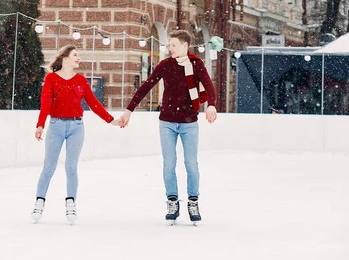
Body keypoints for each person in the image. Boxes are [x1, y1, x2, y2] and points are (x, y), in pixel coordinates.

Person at [120, 30, 217, 224]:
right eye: (169, 45)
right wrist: (129, 110)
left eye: (173, 45)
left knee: (191, 164)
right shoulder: (165, 65)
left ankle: (193, 201)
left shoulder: (196, 65)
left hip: (189, 122)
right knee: (169, 164)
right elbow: (147, 85)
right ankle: (172, 201)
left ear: (184, 46)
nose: (169, 48)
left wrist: (211, 104)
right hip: (167, 122)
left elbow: (208, 85)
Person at [32, 45, 119, 224]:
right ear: (65, 59)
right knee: (49, 167)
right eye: (75, 55)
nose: (79, 58)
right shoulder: (51, 79)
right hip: (55, 126)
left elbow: (93, 103)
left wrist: (111, 120)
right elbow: (45, 103)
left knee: (71, 168)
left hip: (76, 127)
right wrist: (40, 125)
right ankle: (39, 203)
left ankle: (71, 204)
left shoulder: (80, 80)